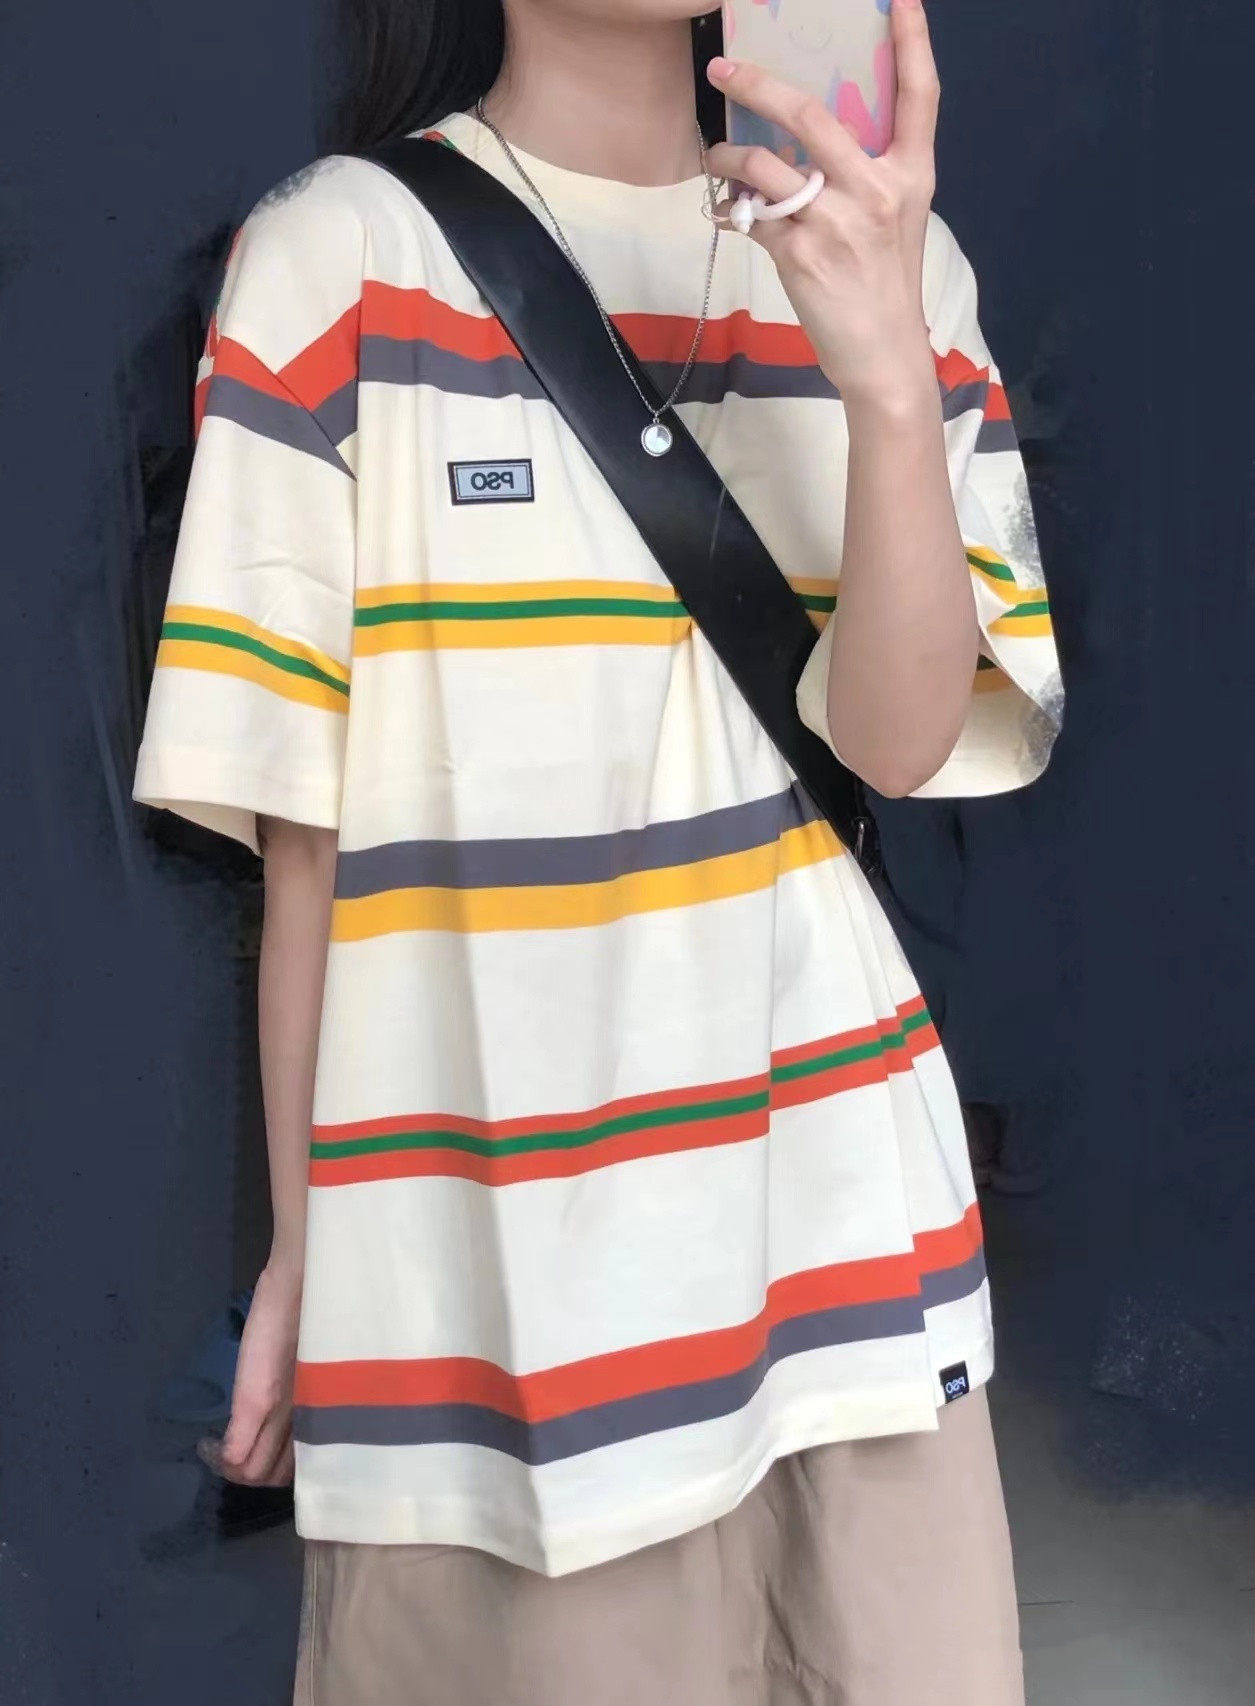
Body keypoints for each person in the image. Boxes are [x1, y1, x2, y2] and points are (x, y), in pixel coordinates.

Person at [132, 1, 1064, 1700]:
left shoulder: (899, 258)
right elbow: (304, 841)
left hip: (854, 1257)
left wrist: (882, 374)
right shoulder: (335, 263)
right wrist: (306, 1249)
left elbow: (899, 743)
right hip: (493, 1303)